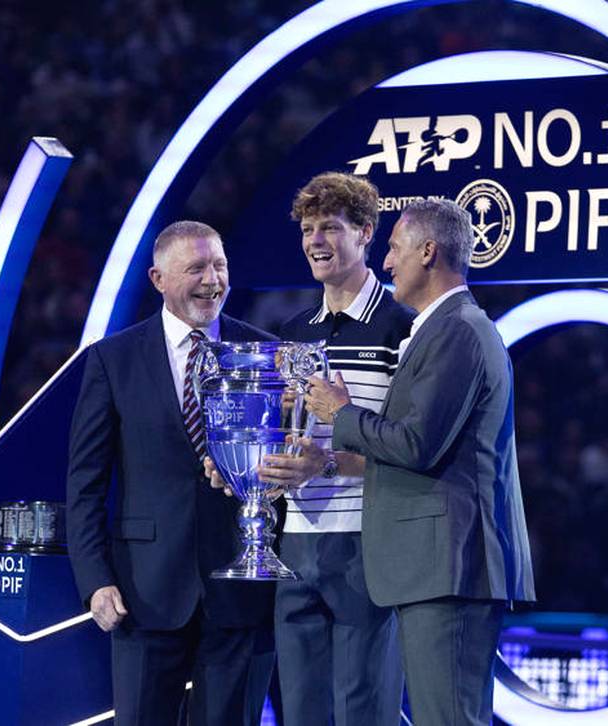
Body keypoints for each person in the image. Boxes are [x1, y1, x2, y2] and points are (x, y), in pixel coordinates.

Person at [304, 199, 536, 726]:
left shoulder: (458, 330)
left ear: (428, 252)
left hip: (450, 567)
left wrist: (342, 413)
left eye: (393, 248)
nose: (386, 263)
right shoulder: (443, 329)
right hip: (436, 567)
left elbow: (414, 444)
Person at [208, 172, 410, 725]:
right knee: (300, 711)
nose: (315, 241)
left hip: (368, 542)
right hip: (295, 544)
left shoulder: (403, 329)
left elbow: (413, 451)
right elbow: (287, 435)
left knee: (362, 708)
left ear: (366, 232)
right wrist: (247, 467)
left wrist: (332, 463)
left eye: (330, 227)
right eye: (307, 229)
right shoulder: (294, 331)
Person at [66, 221, 276, 725]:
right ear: (158, 278)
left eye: (220, 266)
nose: (213, 280)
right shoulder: (112, 359)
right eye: (197, 268)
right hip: (145, 591)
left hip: (241, 590)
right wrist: (96, 580)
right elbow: (85, 484)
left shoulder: (265, 354)